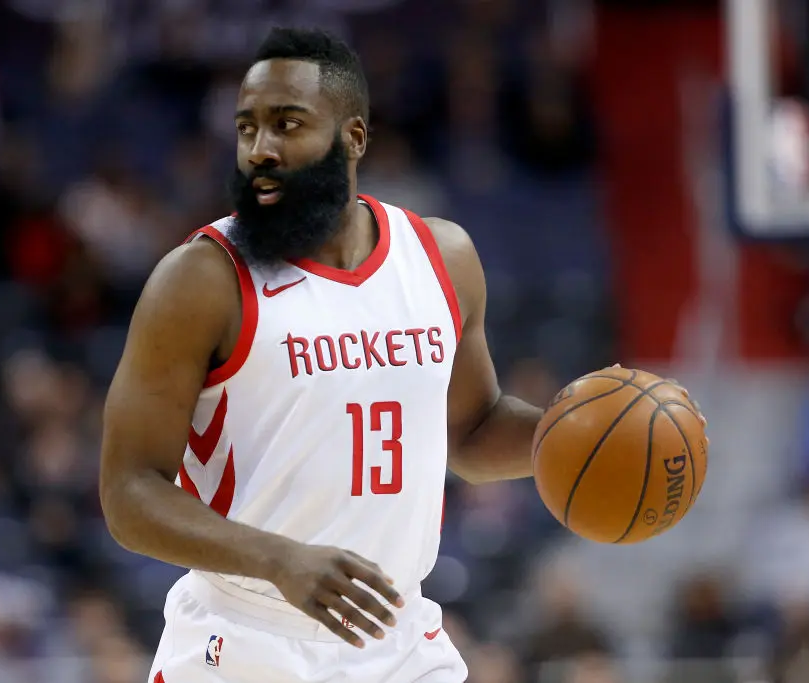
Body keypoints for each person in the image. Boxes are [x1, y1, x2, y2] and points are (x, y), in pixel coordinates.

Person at [99, 26, 665, 683]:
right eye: (247, 127)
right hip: (247, 640)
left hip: (396, 642)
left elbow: (473, 431)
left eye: (289, 124)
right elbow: (128, 491)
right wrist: (278, 558)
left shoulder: (441, 258)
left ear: (353, 139)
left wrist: (574, 438)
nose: (263, 150)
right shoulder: (201, 279)